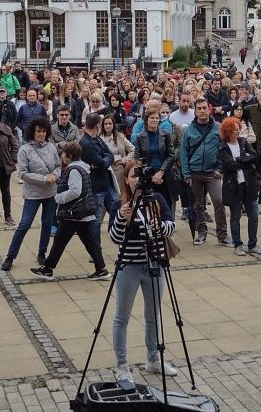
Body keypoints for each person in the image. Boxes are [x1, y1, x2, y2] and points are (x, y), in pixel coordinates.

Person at [108, 163, 178, 385]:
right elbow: (114, 238)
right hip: (129, 266)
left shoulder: (156, 200)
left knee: (152, 315)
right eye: (132, 175)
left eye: (140, 174)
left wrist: (159, 227)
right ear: (126, 180)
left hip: (155, 264)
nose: (137, 178)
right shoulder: (119, 204)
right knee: (122, 317)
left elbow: (171, 226)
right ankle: (121, 365)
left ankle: (153, 359)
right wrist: (121, 216)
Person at [29, 141, 109, 280]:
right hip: (82, 213)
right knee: (90, 242)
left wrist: (59, 198)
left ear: (68, 156)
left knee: (60, 241)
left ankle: (48, 269)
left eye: (63, 154)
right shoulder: (82, 167)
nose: (62, 157)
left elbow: (75, 191)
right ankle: (101, 269)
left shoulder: (74, 170)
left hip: (73, 213)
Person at [0, 116, 61, 272]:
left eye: (43, 131)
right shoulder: (24, 150)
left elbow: (58, 166)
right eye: (38, 131)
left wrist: (55, 175)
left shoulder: (51, 147)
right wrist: (43, 178)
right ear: (32, 132)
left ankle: (42, 253)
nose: (41, 134)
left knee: (47, 224)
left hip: (50, 193)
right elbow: (23, 173)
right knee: (24, 224)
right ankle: (10, 256)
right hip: (33, 193)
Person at [179, 99, 229, 246]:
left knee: (218, 201)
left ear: (209, 110)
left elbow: (223, 149)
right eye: (199, 108)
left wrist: (220, 168)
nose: (202, 111)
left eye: (204, 108)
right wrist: (186, 174)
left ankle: (222, 234)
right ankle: (201, 232)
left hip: (212, 173)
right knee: (198, 204)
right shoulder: (189, 130)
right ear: (195, 111)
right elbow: (183, 153)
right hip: (194, 173)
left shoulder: (217, 127)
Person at [218, 116, 261, 256]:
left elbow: (255, 155)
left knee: (253, 215)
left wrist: (241, 160)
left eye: (238, 129)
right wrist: (245, 160)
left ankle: (253, 244)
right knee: (235, 216)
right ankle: (238, 244)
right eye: (234, 130)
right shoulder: (223, 147)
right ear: (228, 131)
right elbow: (231, 165)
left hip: (249, 184)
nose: (238, 132)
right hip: (233, 186)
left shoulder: (243, 142)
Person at [81, 113, 121, 232]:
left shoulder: (96, 138)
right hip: (96, 186)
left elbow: (109, 155)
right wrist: (106, 159)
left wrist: (106, 159)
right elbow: (102, 162)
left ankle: (117, 236)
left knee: (116, 211)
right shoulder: (85, 143)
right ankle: (95, 246)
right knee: (96, 219)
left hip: (107, 184)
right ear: (98, 124)